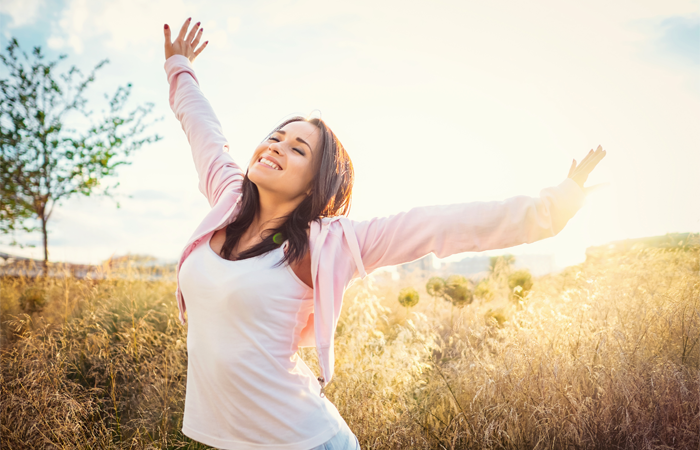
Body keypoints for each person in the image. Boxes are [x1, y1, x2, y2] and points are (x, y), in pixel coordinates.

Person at [162, 17, 606, 450]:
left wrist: (551, 209)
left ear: (315, 184)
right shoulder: (227, 200)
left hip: (308, 441)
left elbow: (438, 225)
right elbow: (204, 131)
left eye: (298, 148)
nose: (276, 145)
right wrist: (180, 68)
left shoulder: (327, 245)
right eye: (276, 137)